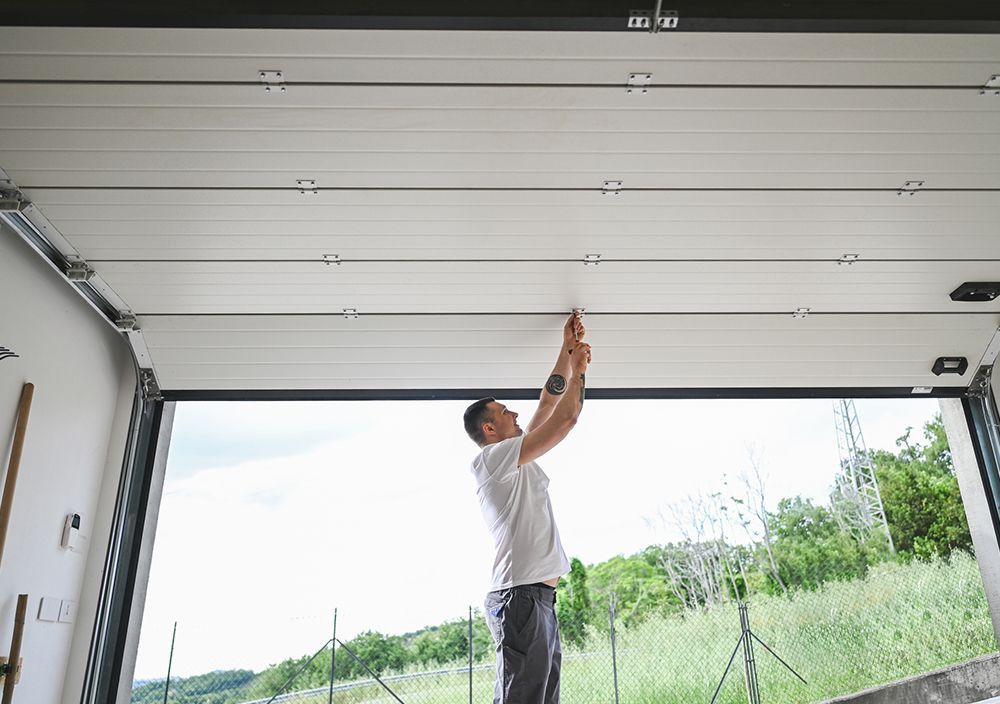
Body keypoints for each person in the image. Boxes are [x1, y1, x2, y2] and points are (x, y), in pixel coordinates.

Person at [463, 311, 592, 704]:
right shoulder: (492, 459)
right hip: (519, 599)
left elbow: (549, 401)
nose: (515, 413)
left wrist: (568, 350)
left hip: (536, 600)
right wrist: (582, 369)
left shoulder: (512, 459)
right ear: (489, 429)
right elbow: (566, 418)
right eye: (505, 412)